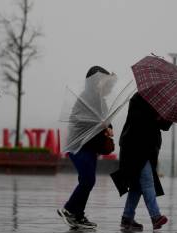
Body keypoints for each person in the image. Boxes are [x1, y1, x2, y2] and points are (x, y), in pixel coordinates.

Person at [57, 66, 114, 229]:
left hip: (91, 147)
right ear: (94, 81)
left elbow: (107, 120)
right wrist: (98, 124)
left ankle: (78, 216)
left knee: (87, 180)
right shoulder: (86, 98)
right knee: (88, 180)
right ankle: (68, 209)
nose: (105, 83)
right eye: (102, 80)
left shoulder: (100, 100)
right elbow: (75, 119)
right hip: (79, 146)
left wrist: (109, 127)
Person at [111, 92, 171, 231]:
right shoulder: (138, 98)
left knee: (137, 186)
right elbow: (138, 119)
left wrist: (166, 116)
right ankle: (155, 217)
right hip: (135, 148)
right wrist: (156, 115)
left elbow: (165, 126)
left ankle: (127, 218)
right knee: (147, 181)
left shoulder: (161, 102)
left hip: (149, 149)